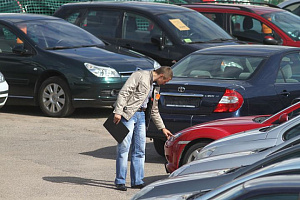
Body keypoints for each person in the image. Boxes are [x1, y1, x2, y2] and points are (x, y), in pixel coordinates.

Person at [113, 66, 173, 191]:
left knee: (140, 149)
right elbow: (124, 92)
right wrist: (118, 112)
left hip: (141, 115)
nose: (165, 84)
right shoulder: (140, 75)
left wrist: (162, 128)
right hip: (128, 115)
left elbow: (154, 109)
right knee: (123, 148)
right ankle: (120, 181)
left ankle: (137, 181)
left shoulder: (156, 86)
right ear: (161, 76)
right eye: (166, 81)